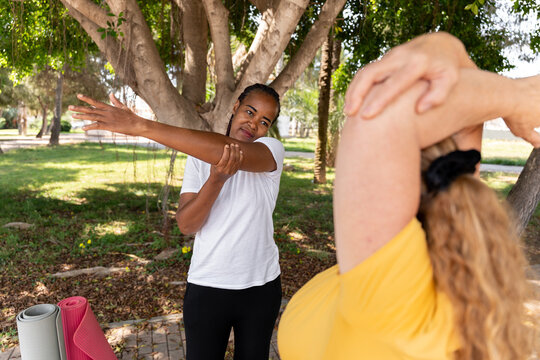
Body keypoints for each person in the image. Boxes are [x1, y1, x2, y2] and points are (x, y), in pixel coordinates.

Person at [278, 32, 539, 359]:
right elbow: (434, 114)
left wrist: (520, 96)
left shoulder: (390, 300)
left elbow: (379, 113)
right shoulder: (443, 286)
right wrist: (445, 45)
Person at [69, 83, 285, 360]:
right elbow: (187, 225)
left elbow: (232, 152)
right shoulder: (198, 158)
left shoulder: (271, 152)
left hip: (261, 287)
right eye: (249, 111)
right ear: (235, 106)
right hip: (208, 286)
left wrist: (142, 126)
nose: (253, 123)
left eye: (264, 121)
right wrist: (216, 180)